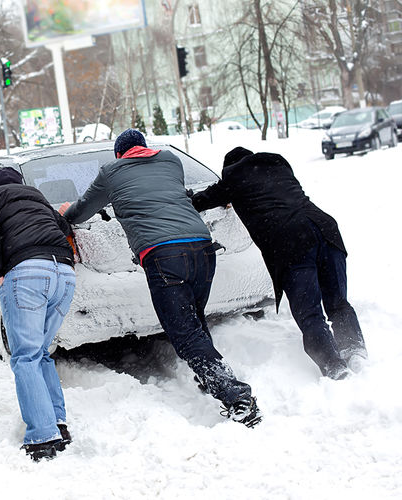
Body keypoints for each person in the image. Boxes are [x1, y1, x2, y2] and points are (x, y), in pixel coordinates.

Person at [59, 129, 261, 428]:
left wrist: (66, 213)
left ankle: (235, 395)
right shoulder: (170, 161)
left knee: (184, 333)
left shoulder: (111, 172)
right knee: (193, 320)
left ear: (119, 154)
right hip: (203, 250)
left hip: (164, 256)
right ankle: (210, 377)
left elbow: (82, 210)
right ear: (145, 148)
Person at [191, 147, 366, 379]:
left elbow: (199, 201)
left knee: (310, 312)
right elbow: (269, 190)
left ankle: (334, 367)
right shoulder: (279, 164)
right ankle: (354, 349)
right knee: (338, 302)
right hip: (325, 229)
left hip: (292, 242)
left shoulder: (233, 179)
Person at [0, 167, 76, 461]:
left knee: (25, 356)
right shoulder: (38, 198)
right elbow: (63, 228)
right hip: (64, 274)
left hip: (28, 274)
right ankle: (57, 423)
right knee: (40, 353)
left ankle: (42, 436)